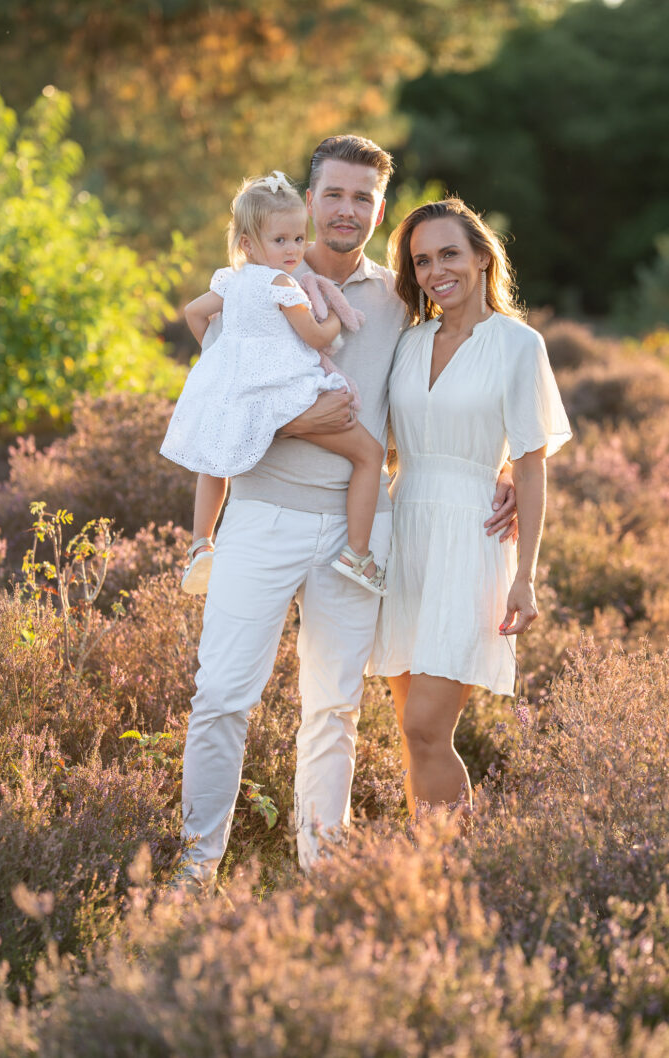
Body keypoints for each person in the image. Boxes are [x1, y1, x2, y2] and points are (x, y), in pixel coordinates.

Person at [173, 137, 517, 890]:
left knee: (332, 709)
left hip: (359, 529)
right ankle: (193, 873)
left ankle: (321, 871)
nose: (345, 209)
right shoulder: (257, 281)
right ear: (310, 196)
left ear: (378, 210)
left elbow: (467, 364)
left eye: (362, 198)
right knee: (223, 697)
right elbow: (217, 395)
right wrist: (299, 422)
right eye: (333, 194)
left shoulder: (400, 297)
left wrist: (505, 469)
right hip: (260, 514)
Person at [370, 198, 572, 819]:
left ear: (483, 257)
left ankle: (457, 874)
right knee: (411, 730)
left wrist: (526, 577)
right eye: (423, 260)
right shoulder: (407, 342)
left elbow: (532, 460)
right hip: (405, 532)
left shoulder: (518, 344)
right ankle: (427, 878)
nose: (436, 271)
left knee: (429, 726)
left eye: (449, 254)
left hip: (471, 537)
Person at [161, 171, 386, 597]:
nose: (293, 250)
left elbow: (193, 312)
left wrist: (217, 357)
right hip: (286, 392)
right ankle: (358, 554)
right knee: (370, 455)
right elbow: (318, 339)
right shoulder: (283, 285)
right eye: (280, 240)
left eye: (299, 239)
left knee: (215, 463)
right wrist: (337, 313)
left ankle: (201, 544)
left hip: (240, 390)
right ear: (248, 243)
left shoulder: (231, 280)